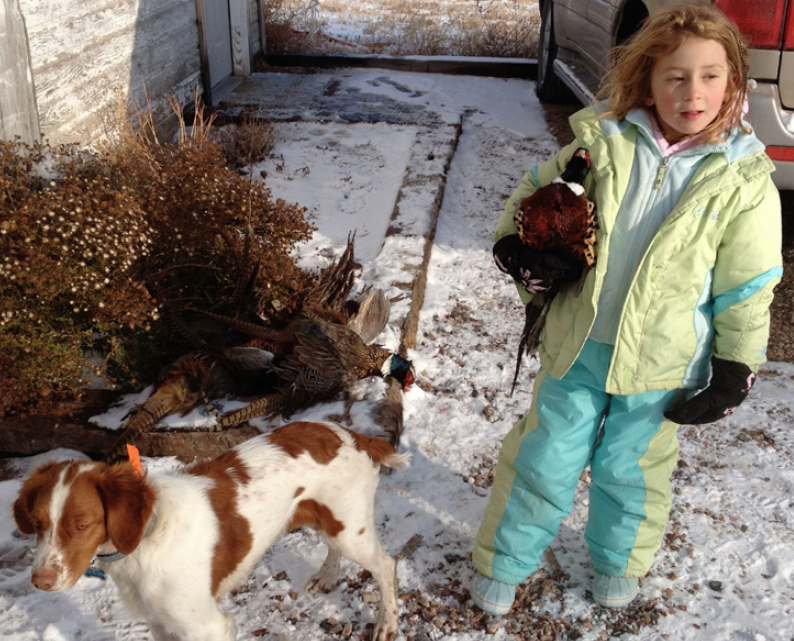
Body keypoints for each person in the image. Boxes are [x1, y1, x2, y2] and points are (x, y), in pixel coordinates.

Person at [470, 3, 782, 614]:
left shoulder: (743, 181)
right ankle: (505, 560)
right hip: (578, 345)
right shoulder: (601, 146)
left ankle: (617, 563)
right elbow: (531, 204)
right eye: (676, 76)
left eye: (711, 76)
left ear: (735, 83)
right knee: (544, 457)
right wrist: (521, 252)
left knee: (632, 472)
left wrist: (736, 363)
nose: (693, 93)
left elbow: (748, 285)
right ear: (648, 79)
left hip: (663, 364)